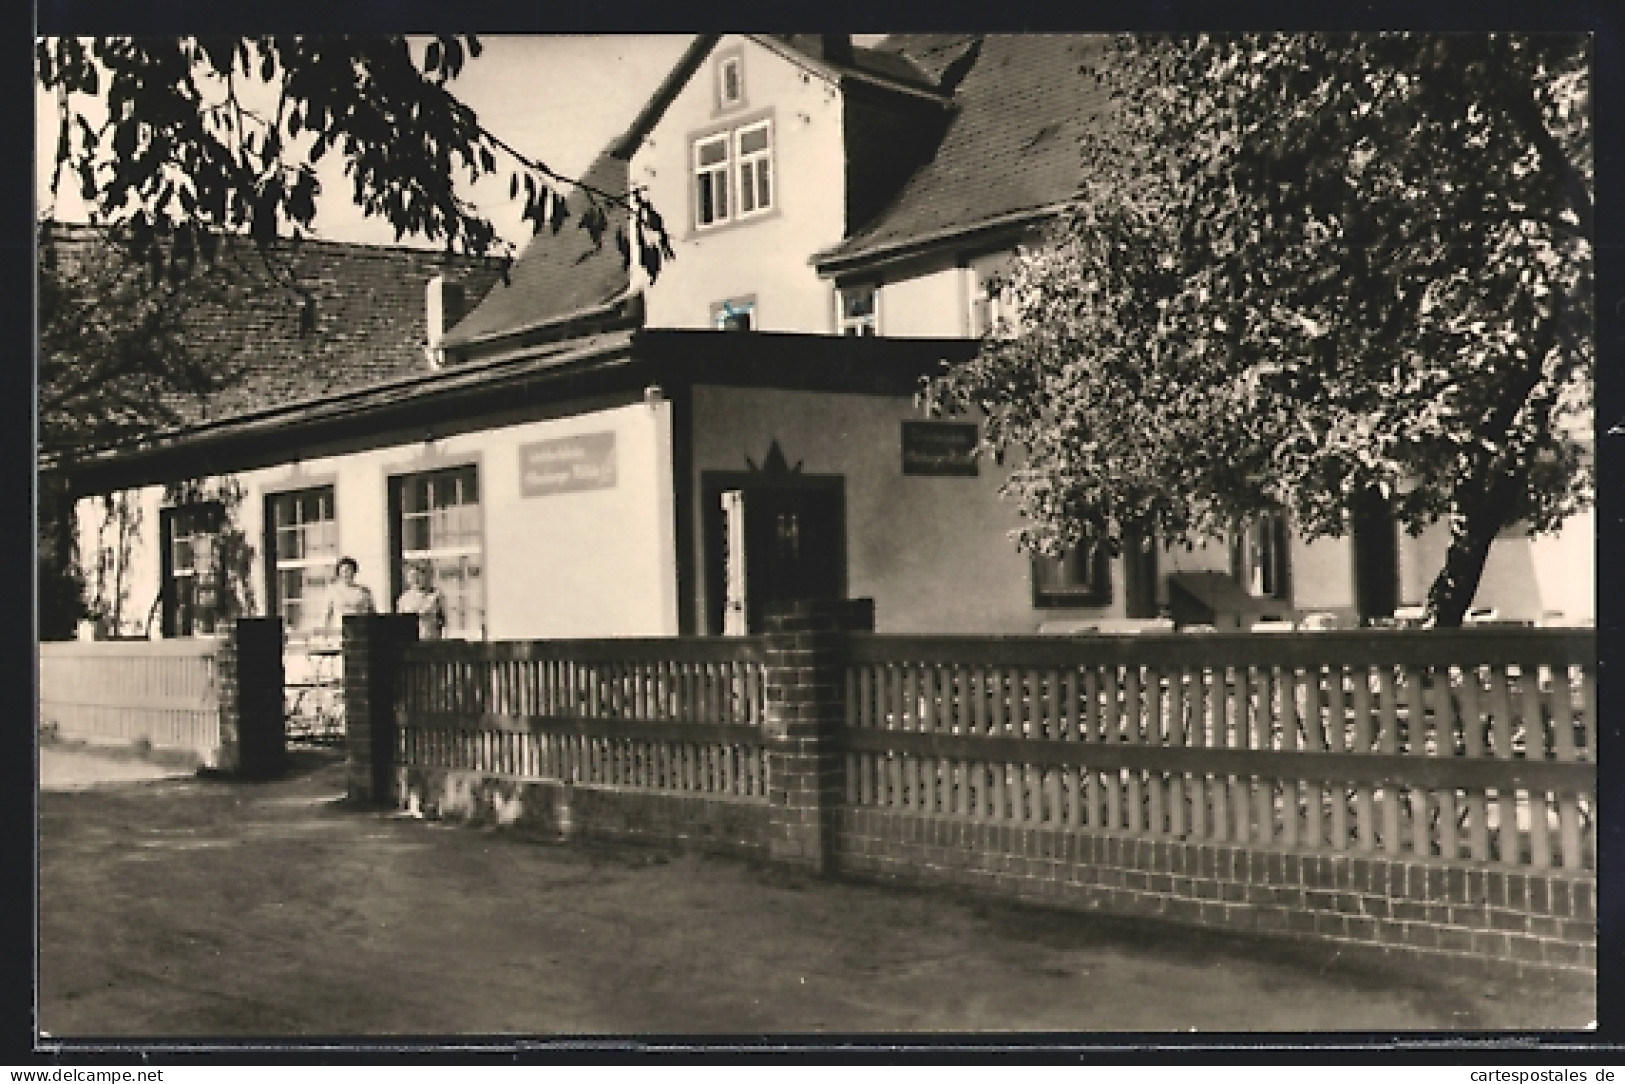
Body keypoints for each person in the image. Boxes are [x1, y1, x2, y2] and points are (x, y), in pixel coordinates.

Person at [395, 560, 447, 641]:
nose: (416, 580)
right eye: (413, 577)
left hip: (431, 640)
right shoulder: (403, 599)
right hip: (411, 642)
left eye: (421, 574)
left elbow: (444, 623)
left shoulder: (436, 596)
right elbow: (400, 625)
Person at [322, 556, 376, 632]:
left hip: (359, 630)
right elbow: (326, 615)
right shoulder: (332, 590)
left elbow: (372, 614)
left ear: (354, 572)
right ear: (339, 573)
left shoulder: (364, 591)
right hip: (340, 631)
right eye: (343, 571)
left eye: (348, 570)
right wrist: (325, 633)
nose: (346, 574)